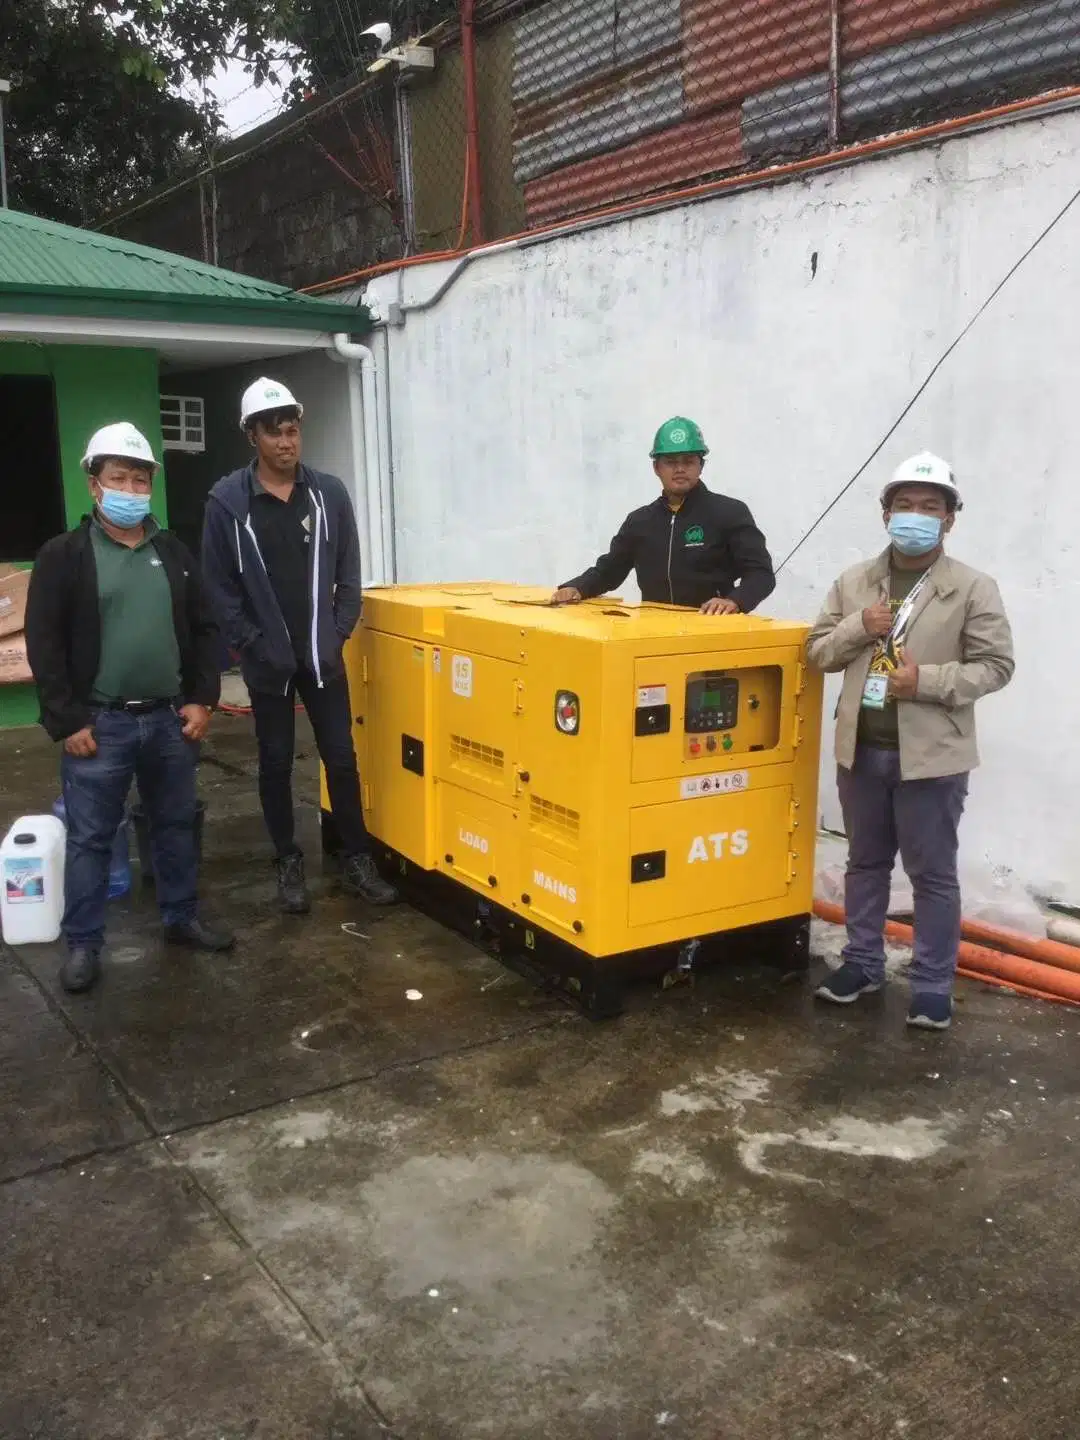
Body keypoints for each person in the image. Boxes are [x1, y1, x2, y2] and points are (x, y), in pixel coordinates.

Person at [807, 452, 1014, 1031]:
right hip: (862, 751)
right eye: (905, 505)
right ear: (885, 513)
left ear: (950, 519)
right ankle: (863, 964)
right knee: (865, 864)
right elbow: (817, 653)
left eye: (930, 507)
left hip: (932, 758)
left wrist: (927, 682)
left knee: (933, 875)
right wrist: (859, 627)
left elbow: (996, 666)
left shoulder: (972, 587)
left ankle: (930, 985)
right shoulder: (854, 582)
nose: (915, 516)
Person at [24, 423, 233, 995]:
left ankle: (180, 917)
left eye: (140, 480)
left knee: (173, 825)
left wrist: (201, 699)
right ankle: (85, 945)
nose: (131, 489)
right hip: (101, 724)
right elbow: (43, 643)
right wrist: (67, 721)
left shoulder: (174, 552)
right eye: (119, 478)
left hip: (170, 720)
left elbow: (204, 627)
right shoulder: (64, 556)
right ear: (94, 485)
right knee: (92, 839)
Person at [200, 377, 397, 914]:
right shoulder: (228, 502)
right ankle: (288, 860)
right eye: (274, 433)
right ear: (252, 436)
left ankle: (355, 857)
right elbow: (218, 587)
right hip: (267, 663)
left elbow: (350, 574)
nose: (287, 442)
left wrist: (337, 633)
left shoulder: (327, 494)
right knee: (275, 760)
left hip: (322, 659)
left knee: (341, 758)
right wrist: (251, 645)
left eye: (293, 431)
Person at [550, 417, 775, 614]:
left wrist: (734, 600)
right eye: (670, 462)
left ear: (701, 466)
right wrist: (576, 588)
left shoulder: (729, 513)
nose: (679, 469)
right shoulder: (639, 522)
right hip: (655, 637)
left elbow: (761, 574)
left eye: (688, 461)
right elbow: (609, 571)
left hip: (711, 635)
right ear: (656, 468)